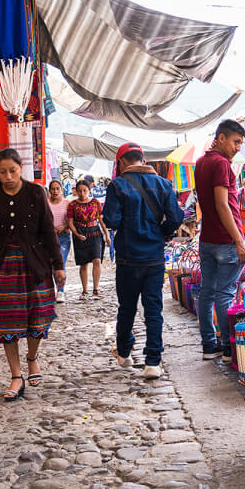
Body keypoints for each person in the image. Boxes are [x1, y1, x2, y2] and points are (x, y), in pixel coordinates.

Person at [0, 149, 64, 401]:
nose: (8, 176)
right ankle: (16, 375)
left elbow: (48, 232)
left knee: (38, 315)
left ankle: (32, 358)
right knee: (6, 320)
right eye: (2, 172)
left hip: (35, 265)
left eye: (12, 171)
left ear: (20, 168)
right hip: (2, 268)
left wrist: (58, 265)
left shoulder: (36, 193)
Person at [104, 143, 184, 379]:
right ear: (143, 159)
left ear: (120, 163)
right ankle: (152, 362)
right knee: (153, 309)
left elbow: (111, 220)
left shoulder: (118, 186)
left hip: (129, 259)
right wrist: (161, 233)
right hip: (154, 258)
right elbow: (176, 218)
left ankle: (125, 353)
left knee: (127, 308)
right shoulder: (163, 184)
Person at [194, 119, 245, 361]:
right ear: (221, 138)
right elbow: (222, 205)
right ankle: (228, 347)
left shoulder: (201, 163)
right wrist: (239, 241)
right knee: (225, 294)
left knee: (207, 292)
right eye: (236, 142)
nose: (238, 147)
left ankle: (209, 344)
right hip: (226, 240)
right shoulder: (221, 164)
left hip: (207, 238)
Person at [68, 177, 107, 297]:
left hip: (95, 233)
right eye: (79, 191)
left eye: (85, 190)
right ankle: (84, 290)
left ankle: (96, 289)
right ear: (76, 191)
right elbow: (70, 222)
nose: (82, 193)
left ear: (89, 190)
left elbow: (101, 219)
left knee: (97, 260)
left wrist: (107, 235)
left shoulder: (95, 202)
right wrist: (77, 234)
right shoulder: (72, 205)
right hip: (80, 233)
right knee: (83, 263)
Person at [46, 179, 71, 301]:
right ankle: (53, 289)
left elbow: (72, 221)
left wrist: (64, 226)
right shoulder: (46, 203)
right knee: (51, 265)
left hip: (64, 238)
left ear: (61, 190)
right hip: (49, 239)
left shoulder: (67, 203)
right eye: (53, 189)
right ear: (49, 190)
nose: (55, 191)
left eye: (57, 189)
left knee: (60, 262)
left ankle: (60, 291)